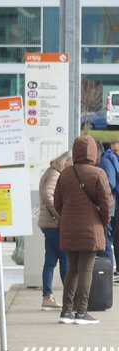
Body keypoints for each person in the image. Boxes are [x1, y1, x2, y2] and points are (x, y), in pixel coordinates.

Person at [52, 135, 113, 325]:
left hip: (69, 227)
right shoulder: (98, 173)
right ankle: (81, 312)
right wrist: (103, 221)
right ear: (94, 152)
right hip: (90, 228)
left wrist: (67, 217)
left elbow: (57, 202)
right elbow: (106, 203)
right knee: (86, 269)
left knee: (73, 270)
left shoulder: (66, 174)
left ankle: (66, 311)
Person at [37, 150, 72, 309]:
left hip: (47, 224)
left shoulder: (50, 172)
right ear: (65, 163)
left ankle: (47, 297)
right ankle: (69, 298)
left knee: (50, 261)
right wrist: (60, 215)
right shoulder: (55, 175)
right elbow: (47, 195)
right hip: (54, 224)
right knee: (65, 258)